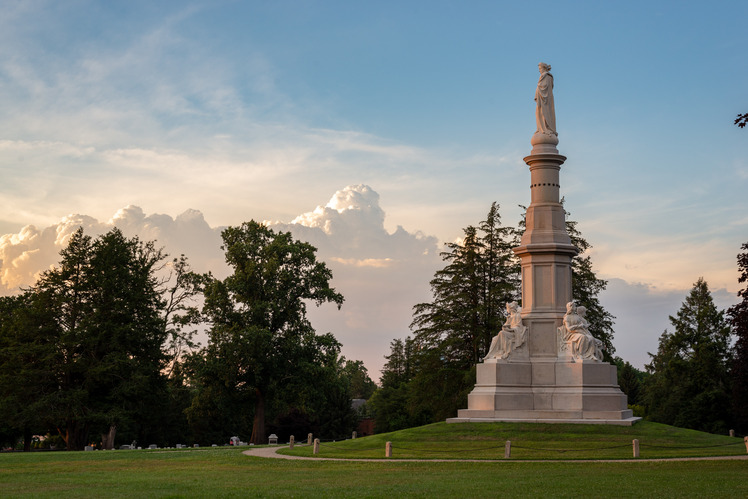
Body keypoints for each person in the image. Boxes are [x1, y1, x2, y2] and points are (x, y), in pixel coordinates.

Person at [535, 62, 557, 136]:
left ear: (544, 68)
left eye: (540, 68)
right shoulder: (544, 76)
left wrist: (538, 87)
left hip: (546, 99)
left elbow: (544, 87)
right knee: (538, 111)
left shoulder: (547, 76)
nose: (539, 70)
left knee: (544, 112)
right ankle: (540, 128)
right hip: (541, 98)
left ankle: (546, 128)